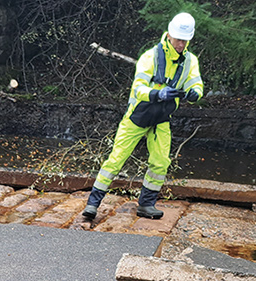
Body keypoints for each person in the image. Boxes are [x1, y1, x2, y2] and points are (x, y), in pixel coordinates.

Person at [82, 12, 204, 221]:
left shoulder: (190, 61)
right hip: (137, 116)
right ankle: (93, 204)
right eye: (178, 40)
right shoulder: (151, 57)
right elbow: (138, 88)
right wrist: (158, 93)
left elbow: (196, 82)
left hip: (161, 118)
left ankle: (146, 205)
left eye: (185, 41)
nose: (181, 44)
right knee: (116, 159)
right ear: (169, 35)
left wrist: (195, 93)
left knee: (160, 163)